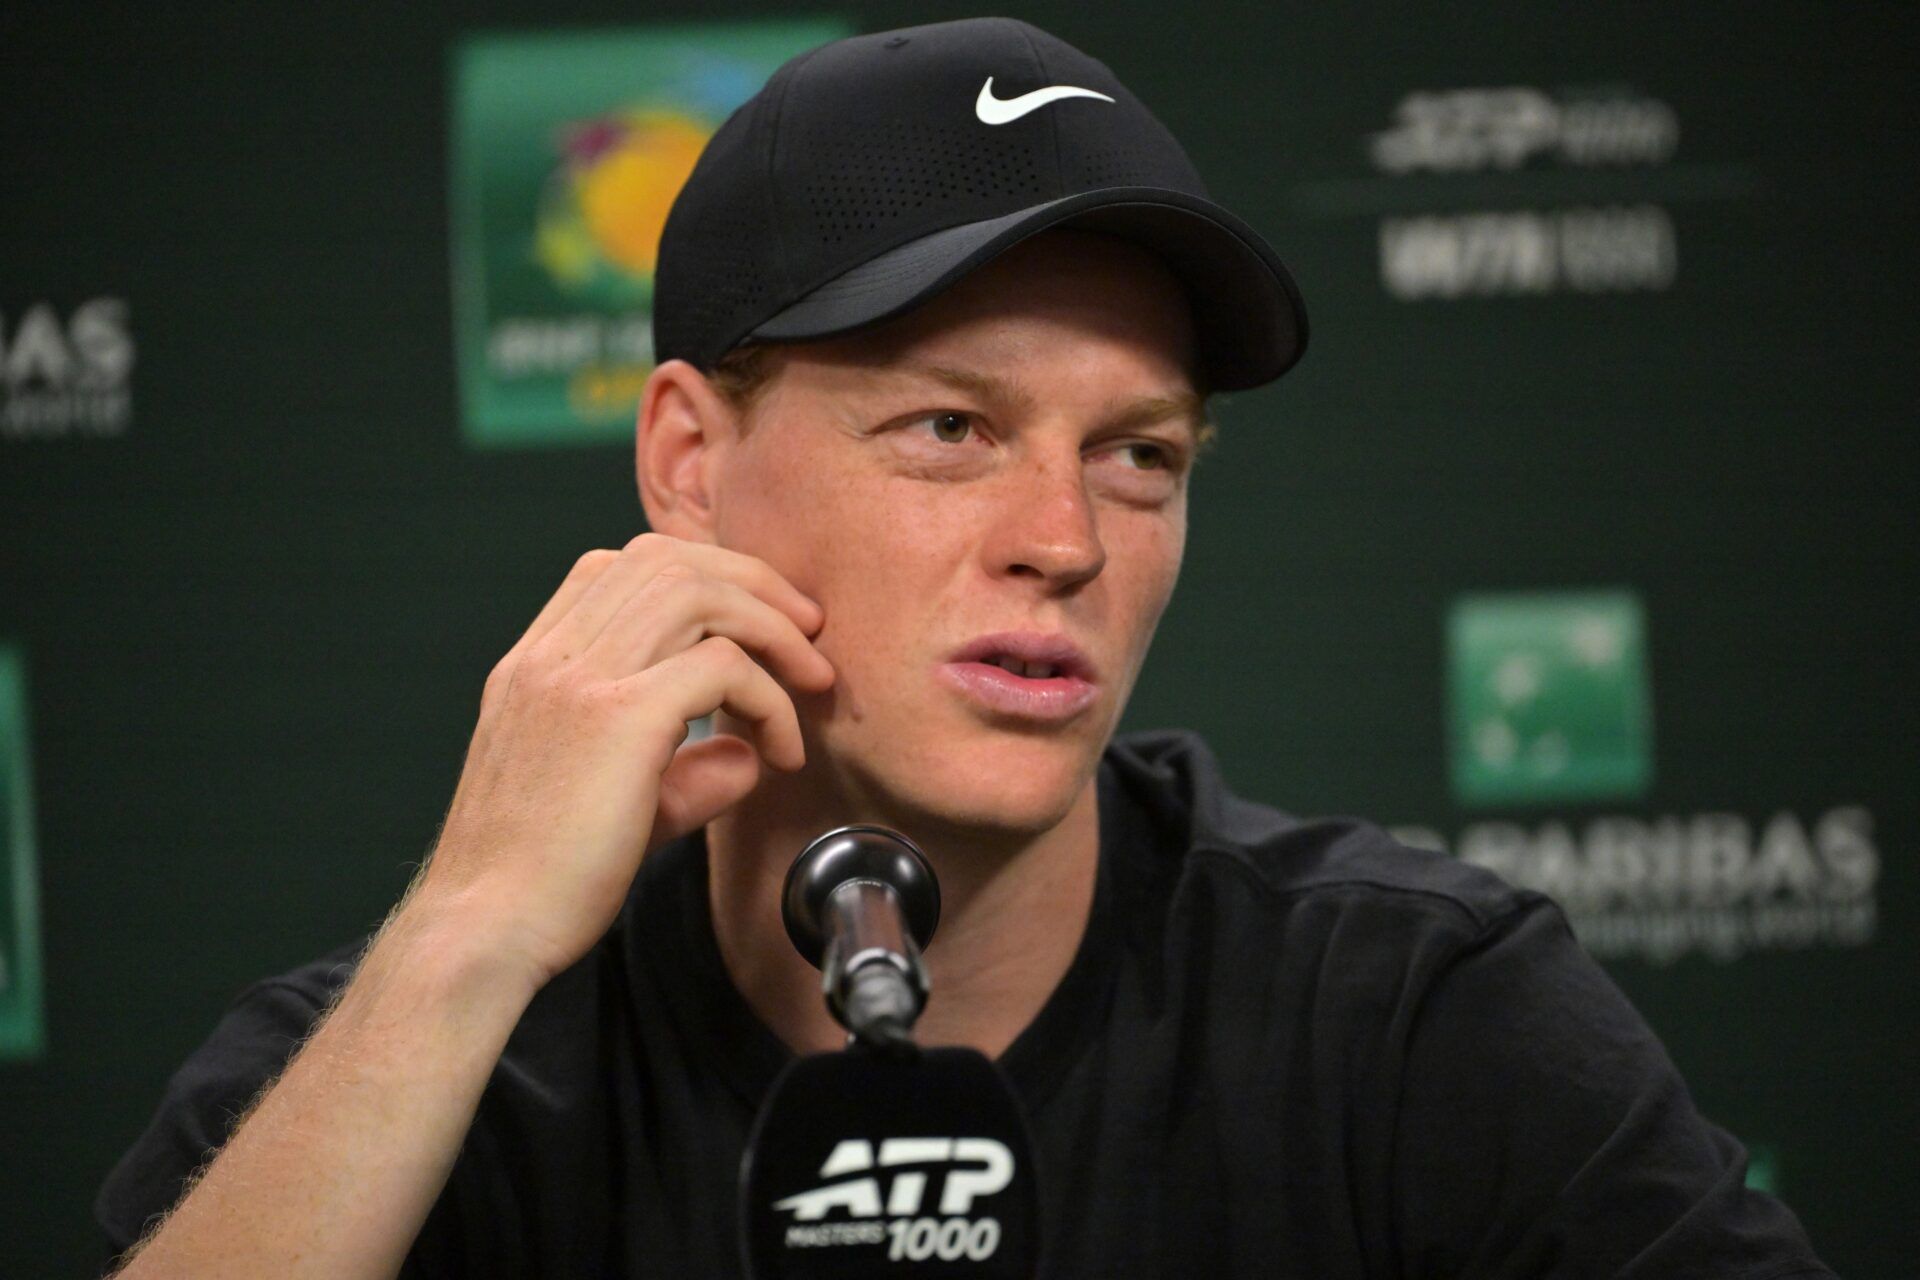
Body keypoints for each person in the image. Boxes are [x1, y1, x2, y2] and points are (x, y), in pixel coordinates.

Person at [96, 18, 1833, 1279]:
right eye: (949, 428)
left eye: (1137, 453)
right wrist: (468, 938)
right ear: (690, 462)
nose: (1065, 539)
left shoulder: (1412, 1015)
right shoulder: (408, 1073)